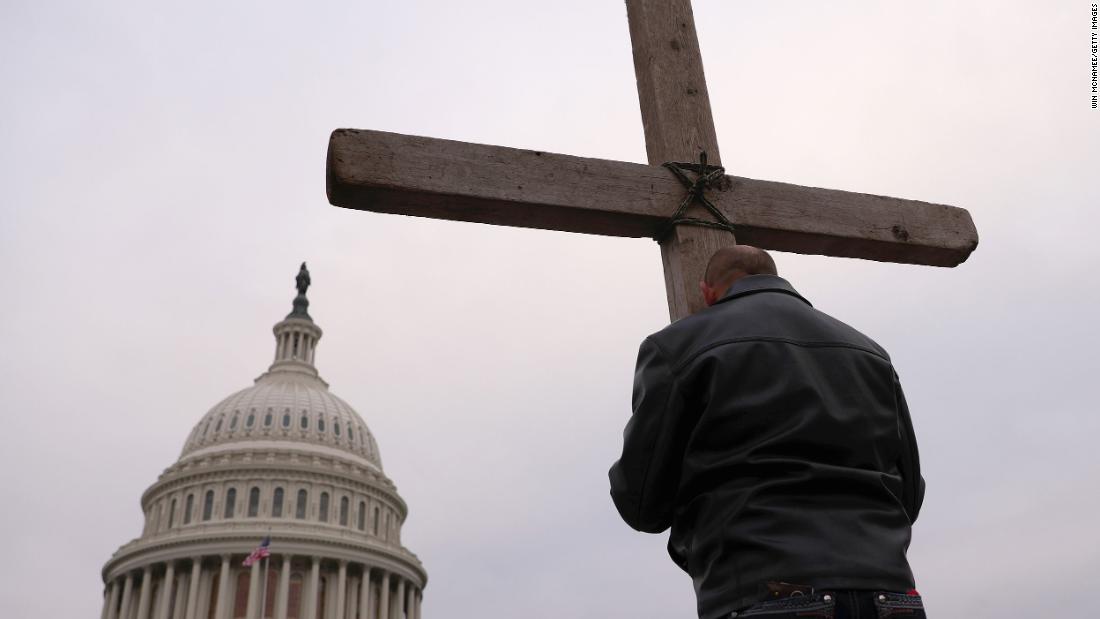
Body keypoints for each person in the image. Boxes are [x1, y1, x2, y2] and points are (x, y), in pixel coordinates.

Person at [609, 246, 926, 619]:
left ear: (707, 292)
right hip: (890, 592)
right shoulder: (871, 352)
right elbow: (909, 493)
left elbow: (642, 503)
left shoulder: (678, 346)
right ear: (780, 280)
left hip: (766, 587)